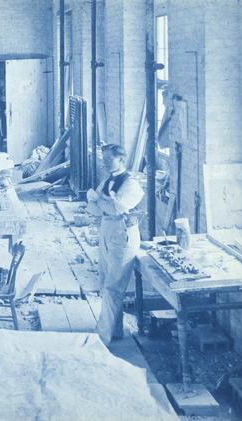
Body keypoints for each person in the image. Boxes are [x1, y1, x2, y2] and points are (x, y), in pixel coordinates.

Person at [86, 144, 144, 346]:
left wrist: (99, 199)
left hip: (123, 234)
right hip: (107, 230)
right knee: (104, 281)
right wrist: (101, 202)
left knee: (113, 286)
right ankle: (116, 329)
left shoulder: (132, 184)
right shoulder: (106, 181)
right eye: (103, 158)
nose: (104, 162)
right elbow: (93, 210)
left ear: (121, 159)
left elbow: (117, 208)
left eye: (109, 158)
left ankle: (102, 337)